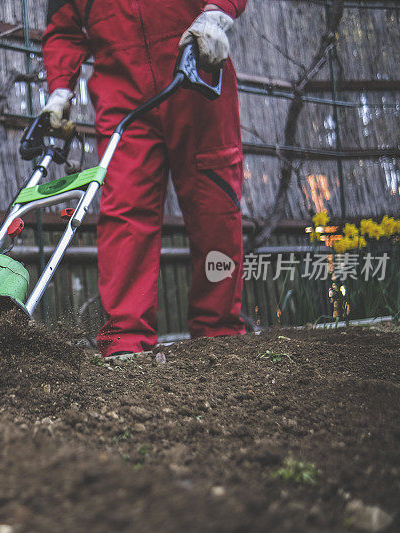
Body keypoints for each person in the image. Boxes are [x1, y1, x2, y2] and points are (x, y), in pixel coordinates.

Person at [41, 0, 247, 359]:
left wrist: (218, 11)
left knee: (215, 213)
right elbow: (63, 27)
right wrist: (60, 88)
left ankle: (220, 336)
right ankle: (125, 341)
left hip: (196, 69)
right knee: (124, 214)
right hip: (123, 91)